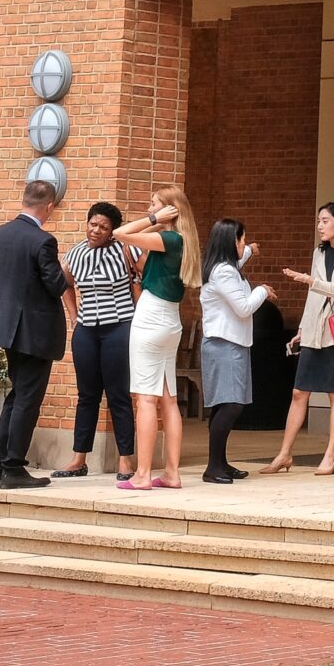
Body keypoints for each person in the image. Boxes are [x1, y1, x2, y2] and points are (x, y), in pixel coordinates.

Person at [0, 180, 71, 490]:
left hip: (6, 329)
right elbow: (55, 285)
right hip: (34, 332)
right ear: (48, 206)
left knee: (16, 395)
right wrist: (66, 275)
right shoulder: (43, 240)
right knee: (27, 400)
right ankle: (13, 468)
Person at [270, 202, 334, 476]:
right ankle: (284, 454)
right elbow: (314, 297)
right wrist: (302, 327)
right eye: (319, 221)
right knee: (299, 391)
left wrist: (309, 280)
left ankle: (330, 456)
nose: (320, 225)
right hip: (314, 330)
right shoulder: (318, 252)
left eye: (325, 220)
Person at [115, 187, 200, 490]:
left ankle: (142, 474)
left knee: (145, 399)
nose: (149, 208)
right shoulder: (184, 241)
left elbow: (120, 232)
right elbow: (142, 267)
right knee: (168, 399)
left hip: (150, 316)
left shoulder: (168, 238)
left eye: (154, 204)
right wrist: (156, 220)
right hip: (171, 319)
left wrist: (153, 218)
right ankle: (172, 473)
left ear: (170, 210)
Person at [58, 203, 141, 481]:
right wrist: (73, 316)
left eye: (103, 227)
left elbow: (139, 282)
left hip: (119, 327)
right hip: (87, 331)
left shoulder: (126, 249)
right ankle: (78, 458)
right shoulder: (76, 253)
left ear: (113, 231)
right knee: (87, 395)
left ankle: (126, 460)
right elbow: (65, 283)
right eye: (93, 224)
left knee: (118, 395)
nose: (96, 230)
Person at [199, 218, 269, 484]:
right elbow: (243, 307)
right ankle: (213, 466)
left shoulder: (223, 266)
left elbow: (239, 259)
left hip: (230, 343)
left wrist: (250, 248)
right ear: (231, 243)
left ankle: (220, 462)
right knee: (230, 404)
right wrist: (263, 290)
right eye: (241, 240)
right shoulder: (224, 272)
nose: (243, 244)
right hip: (224, 345)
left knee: (225, 405)